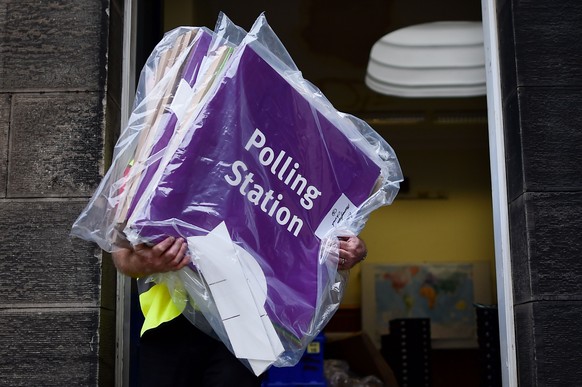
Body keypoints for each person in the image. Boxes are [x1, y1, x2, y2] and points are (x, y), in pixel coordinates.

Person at [112, 235, 368, 387]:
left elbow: (320, 225)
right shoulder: (156, 154)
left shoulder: (280, 158)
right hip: (171, 326)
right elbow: (121, 252)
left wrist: (351, 247)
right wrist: (142, 261)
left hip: (246, 328)